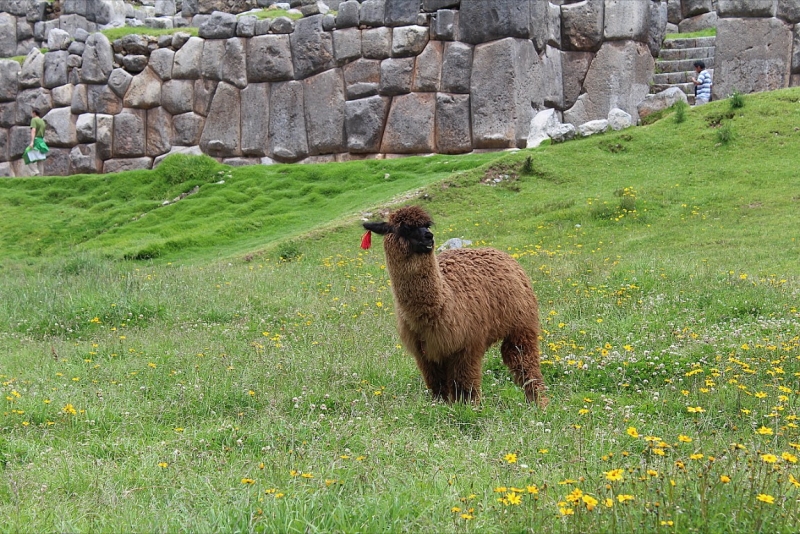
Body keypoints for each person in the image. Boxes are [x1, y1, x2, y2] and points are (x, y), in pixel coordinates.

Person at [24, 109, 49, 175]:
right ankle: (40, 176)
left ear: (34, 113)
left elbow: (33, 130)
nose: (31, 115)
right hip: (41, 141)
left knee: (27, 154)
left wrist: (32, 142)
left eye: (32, 113)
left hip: (36, 140)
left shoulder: (34, 120)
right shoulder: (42, 121)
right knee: (40, 159)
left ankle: (35, 171)